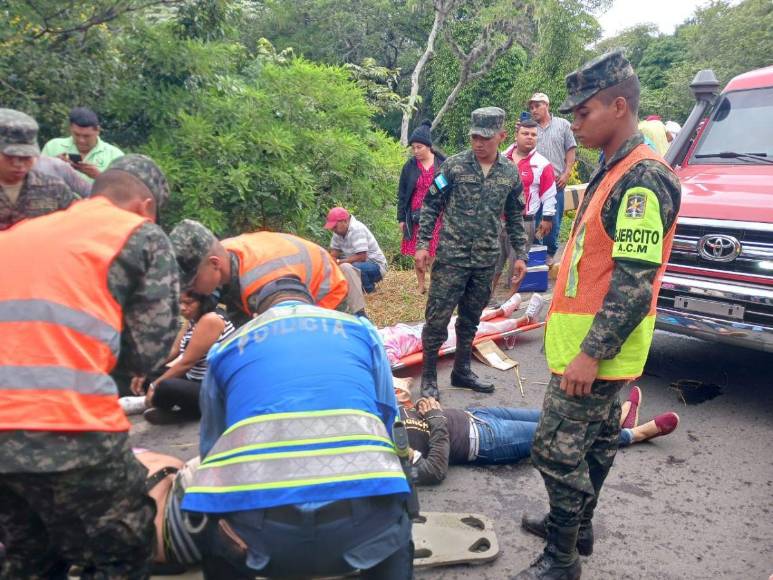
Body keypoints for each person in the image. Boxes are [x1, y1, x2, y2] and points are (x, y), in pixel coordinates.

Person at [515, 51, 681, 580]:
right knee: (599, 442)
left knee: (554, 452)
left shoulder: (641, 180)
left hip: (596, 352)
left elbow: (634, 285)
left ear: (618, 106)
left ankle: (562, 560)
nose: (574, 123)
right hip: (597, 348)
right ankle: (577, 527)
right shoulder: (614, 167)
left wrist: (590, 354)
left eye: (583, 113)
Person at [0, 154, 180, 578]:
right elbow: (147, 354)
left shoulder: (18, 233)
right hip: (69, 423)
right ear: (146, 205)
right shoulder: (141, 235)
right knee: (122, 545)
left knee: (29, 552)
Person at [181, 276, 413, 578]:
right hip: (364, 533)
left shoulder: (227, 348)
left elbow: (211, 448)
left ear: (257, 315)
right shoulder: (361, 332)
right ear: (312, 304)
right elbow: (390, 420)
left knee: (211, 518)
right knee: (398, 526)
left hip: (260, 541)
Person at [415, 106, 528, 400]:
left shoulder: (510, 174)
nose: (478, 143)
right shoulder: (453, 166)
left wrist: (521, 256)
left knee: (471, 318)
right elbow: (430, 205)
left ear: (502, 136)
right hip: (451, 257)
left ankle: (461, 370)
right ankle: (428, 377)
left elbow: (516, 217)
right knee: (438, 318)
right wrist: (424, 244)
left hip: (485, 260)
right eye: (475, 137)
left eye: (486, 138)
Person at [395, 386, 679, 487]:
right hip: (485, 440)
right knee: (563, 435)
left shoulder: (376, 417)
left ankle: (613, 425)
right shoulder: (386, 463)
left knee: (557, 419)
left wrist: (420, 405)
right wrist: (434, 417)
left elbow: (411, 413)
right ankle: (633, 434)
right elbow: (434, 470)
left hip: (475, 415)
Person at [169, 219, 368, 322]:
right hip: (291, 281)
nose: (191, 289)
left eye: (192, 281)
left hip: (327, 291)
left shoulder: (263, 282)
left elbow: (285, 336)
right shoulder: (226, 255)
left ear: (214, 264)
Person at [128, 289, 235, 424]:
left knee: (164, 386)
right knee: (149, 376)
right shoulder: (192, 319)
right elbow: (174, 350)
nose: (183, 308)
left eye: (189, 303)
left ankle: (190, 412)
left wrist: (154, 386)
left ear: (203, 302)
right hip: (194, 379)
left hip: (214, 388)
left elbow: (186, 363)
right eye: (180, 303)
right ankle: (163, 404)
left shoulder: (210, 320)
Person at [495, 119, 558, 292]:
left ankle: (509, 304)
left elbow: (549, 194)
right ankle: (484, 305)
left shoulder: (543, 164)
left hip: (524, 223)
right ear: (516, 135)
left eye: (533, 135)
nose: (529, 137)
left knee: (517, 267)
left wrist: (547, 218)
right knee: (492, 265)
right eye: (525, 133)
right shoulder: (501, 158)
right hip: (497, 221)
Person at [0, 108, 77, 230]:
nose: (18, 163)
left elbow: (78, 226)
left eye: (26, 157)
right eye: (10, 156)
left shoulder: (54, 188)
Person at [528, 92, 578, 266]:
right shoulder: (529, 129)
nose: (534, 110)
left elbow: (571, 150)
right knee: (533, 220)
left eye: (537, 106)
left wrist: (567, 173)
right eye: (531, 107)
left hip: (556, 182)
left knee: (553, 221)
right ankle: (535, 256)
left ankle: (550, 253)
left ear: (547, 105)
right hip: (534, 184)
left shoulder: (563, 125)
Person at [397, 120, 446, 294]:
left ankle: (434, 284)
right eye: (413, 147)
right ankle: (420, 285)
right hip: (415, 215)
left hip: (437, 216)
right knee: (417, 253)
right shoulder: (409, 167)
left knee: (433, 251)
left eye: (419, 147)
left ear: (428, 146)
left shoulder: (442, 164)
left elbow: (450, 189)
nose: (416, 151)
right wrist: (402, 218)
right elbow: (402, 194)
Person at [41, 106, 124, 181]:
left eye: (87, 136)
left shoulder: (115, 156)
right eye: (76, 134)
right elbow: (36, 176)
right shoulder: (53, 146)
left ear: (98, 131)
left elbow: (124, 189)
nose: (81, 140)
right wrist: (54, 165)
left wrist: (99, 176)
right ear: (70, 128)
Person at [325, 207, 388, 293]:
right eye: (332, 227)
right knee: (334, 267)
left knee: (354, 266)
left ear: (345, 221)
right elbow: (333, 254)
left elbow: (362, 257)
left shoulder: (356, 229)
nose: (333, 229)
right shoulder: (337, 233)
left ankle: (369, 290)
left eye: (335, 226)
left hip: (376, 266)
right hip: (357, 264)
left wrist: (339, 262)